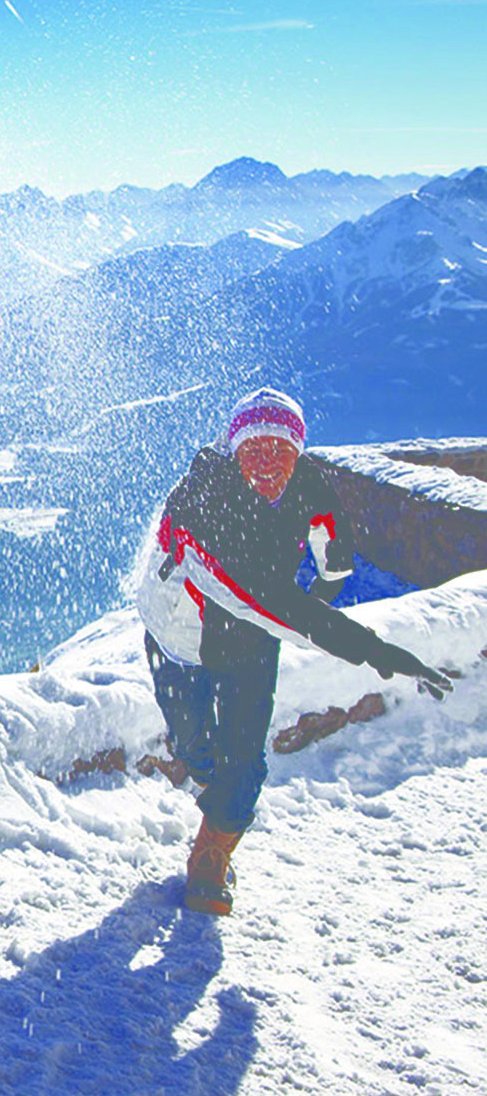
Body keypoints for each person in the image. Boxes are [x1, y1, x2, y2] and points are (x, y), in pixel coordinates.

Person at [136, 387, 451, 917]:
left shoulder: (306, 483)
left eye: (281, 451)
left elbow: (334, 551)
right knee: (195, 748)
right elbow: (261, 596)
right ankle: (215, 785)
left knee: (245, 761)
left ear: (297, 454)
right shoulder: (201, 500)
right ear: (233, 450)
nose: (267, 464)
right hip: (180, 638)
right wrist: (370, 647)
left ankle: (210, 860)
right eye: (254, 449)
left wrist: (323, 591)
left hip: (251, 638)